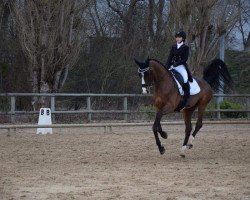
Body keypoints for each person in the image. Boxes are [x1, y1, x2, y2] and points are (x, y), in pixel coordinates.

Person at [165, 31, 193, 108]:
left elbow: (185, 59)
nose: (177, 38)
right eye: (176, 37)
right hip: (172, 66)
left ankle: (186, 99)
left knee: (185, 79)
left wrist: (177, 64)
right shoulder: (173, 47)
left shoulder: (186, 48)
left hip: (181, 66)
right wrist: (166, 66)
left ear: (183, 38)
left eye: (179, 37)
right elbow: (169, 58)